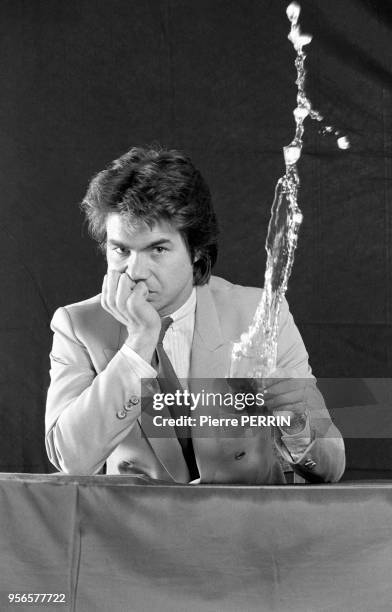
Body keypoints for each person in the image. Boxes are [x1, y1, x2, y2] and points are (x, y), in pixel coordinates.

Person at [45, 145, 345, 483]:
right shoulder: (78, 325)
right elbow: (70, 460)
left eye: (157, 249)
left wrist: (297, 429)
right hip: (138, 530)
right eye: (121, 250)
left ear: (196, 252)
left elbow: (331, 465)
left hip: (249, 527)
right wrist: (138, 346)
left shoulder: (260, 315)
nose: (135, 271)